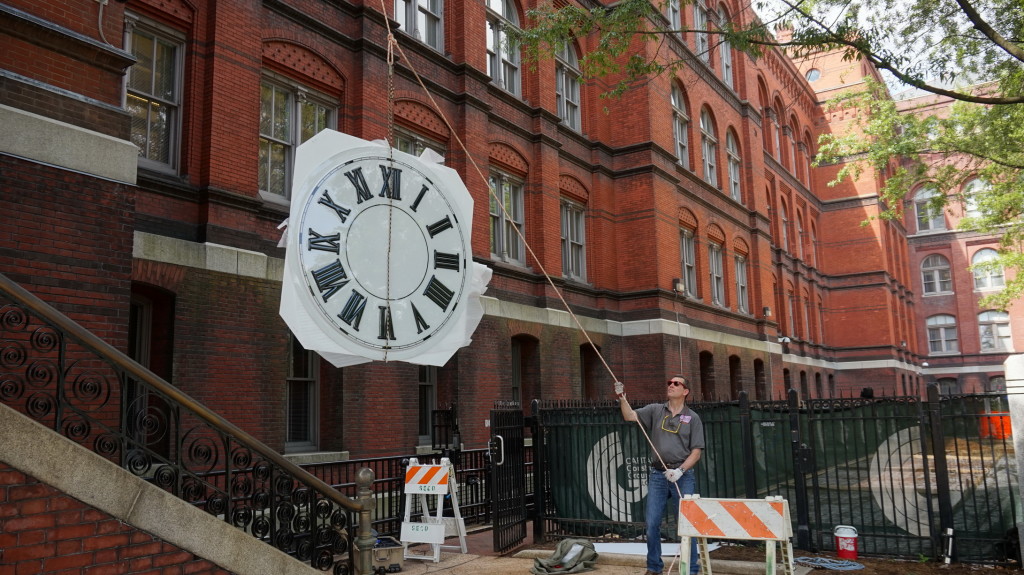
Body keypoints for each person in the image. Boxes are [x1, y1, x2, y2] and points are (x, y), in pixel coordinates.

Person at [614, 376, 705, 575]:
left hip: (683, 476)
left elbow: (696, 452)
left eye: (676, 384)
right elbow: (630, 416)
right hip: (658, 475)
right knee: (652, 523)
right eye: (669, 383)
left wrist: (680, 470)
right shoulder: (656, 410)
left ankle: (691, 569)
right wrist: (622, 398)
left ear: (685, 391)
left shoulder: (693, 417)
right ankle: (654, 568)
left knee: (687, 525)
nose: (671, 386)